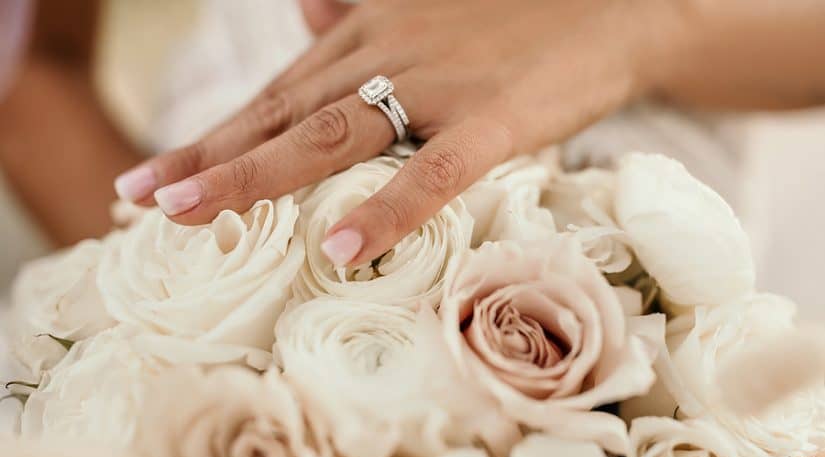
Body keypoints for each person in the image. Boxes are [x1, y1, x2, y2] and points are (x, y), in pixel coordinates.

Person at [3, 0, 825, 269]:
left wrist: (631, 30)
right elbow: (32, 69)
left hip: (721, 215)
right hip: (245, 140)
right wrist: (188, 311)